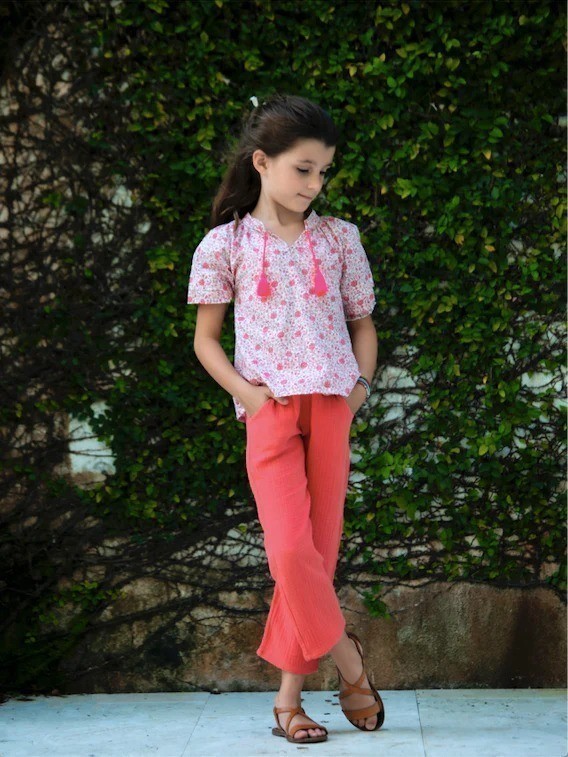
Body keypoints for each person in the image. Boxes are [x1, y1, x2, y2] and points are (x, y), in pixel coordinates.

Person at [186, 93, 385, 744]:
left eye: (323, 171)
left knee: (316, 561)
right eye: (303, 168)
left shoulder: (341, 238)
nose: (314, 183)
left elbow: (363, 325)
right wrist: (247, 395)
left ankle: (288, 704)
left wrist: (357, 393)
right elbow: (205, 340)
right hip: (267, 409)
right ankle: (351, 663)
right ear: (262, 162)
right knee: (291, 552)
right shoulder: (225, 244)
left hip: (331, 406)